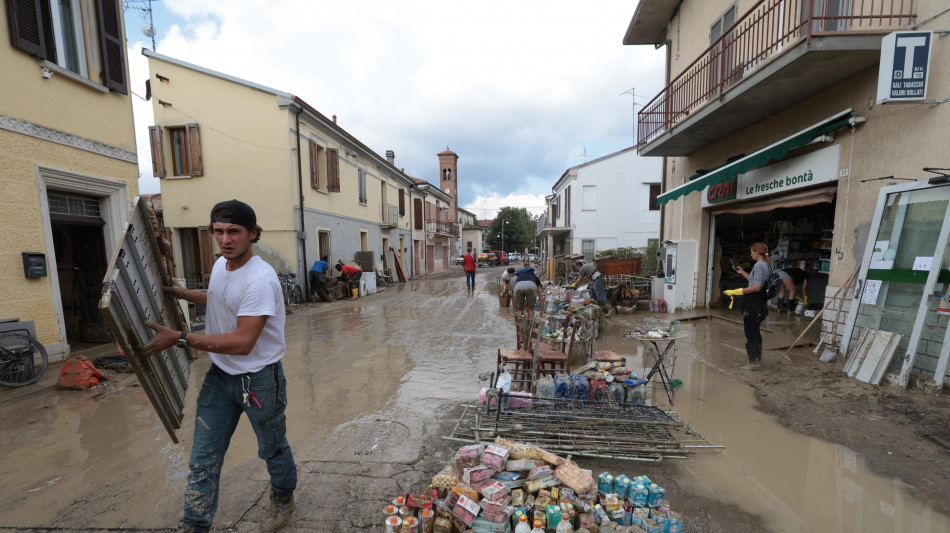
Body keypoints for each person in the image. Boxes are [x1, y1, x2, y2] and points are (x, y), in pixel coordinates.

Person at [142, 199, 296, 533]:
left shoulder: (260, 279)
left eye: (234, 232)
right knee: (202, 458)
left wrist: (181, 337)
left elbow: (243, 343)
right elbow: (221, 297)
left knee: (272, 448)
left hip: (259, 381)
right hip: (219, 377)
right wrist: (181, 293)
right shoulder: (222, 267)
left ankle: (283, 499)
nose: (225, 239)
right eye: (218, 231)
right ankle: (194, 525)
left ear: (252, 234)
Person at [723, 242, 771, 371]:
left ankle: (754, 363)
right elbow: (755, 281)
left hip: (753, 304)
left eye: (752, 251)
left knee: (750, 332)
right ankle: (756, 360)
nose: (750, 254)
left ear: (756, 252)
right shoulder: (766, 265)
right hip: (759, 304)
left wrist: (736, 291)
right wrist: (743, 272)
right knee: (754, 331)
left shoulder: (759, 265)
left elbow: (756, 287)